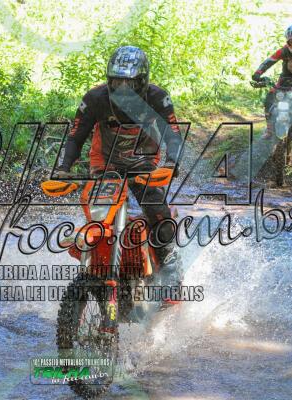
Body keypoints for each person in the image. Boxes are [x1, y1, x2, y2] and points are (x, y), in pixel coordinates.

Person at [54, 46, 184, 309]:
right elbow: (76, 136)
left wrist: (172, 162)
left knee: (155, 205)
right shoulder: (95, 98)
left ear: (143, 81)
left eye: (130, 83)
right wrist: (64, 168)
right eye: (116, 82)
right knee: (101, 213)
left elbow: (173, 134)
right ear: (108, 79)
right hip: (105, 162)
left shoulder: (158, 97)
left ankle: (169, 262)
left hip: (144, 160)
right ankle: (98, 266)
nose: (123, 88)